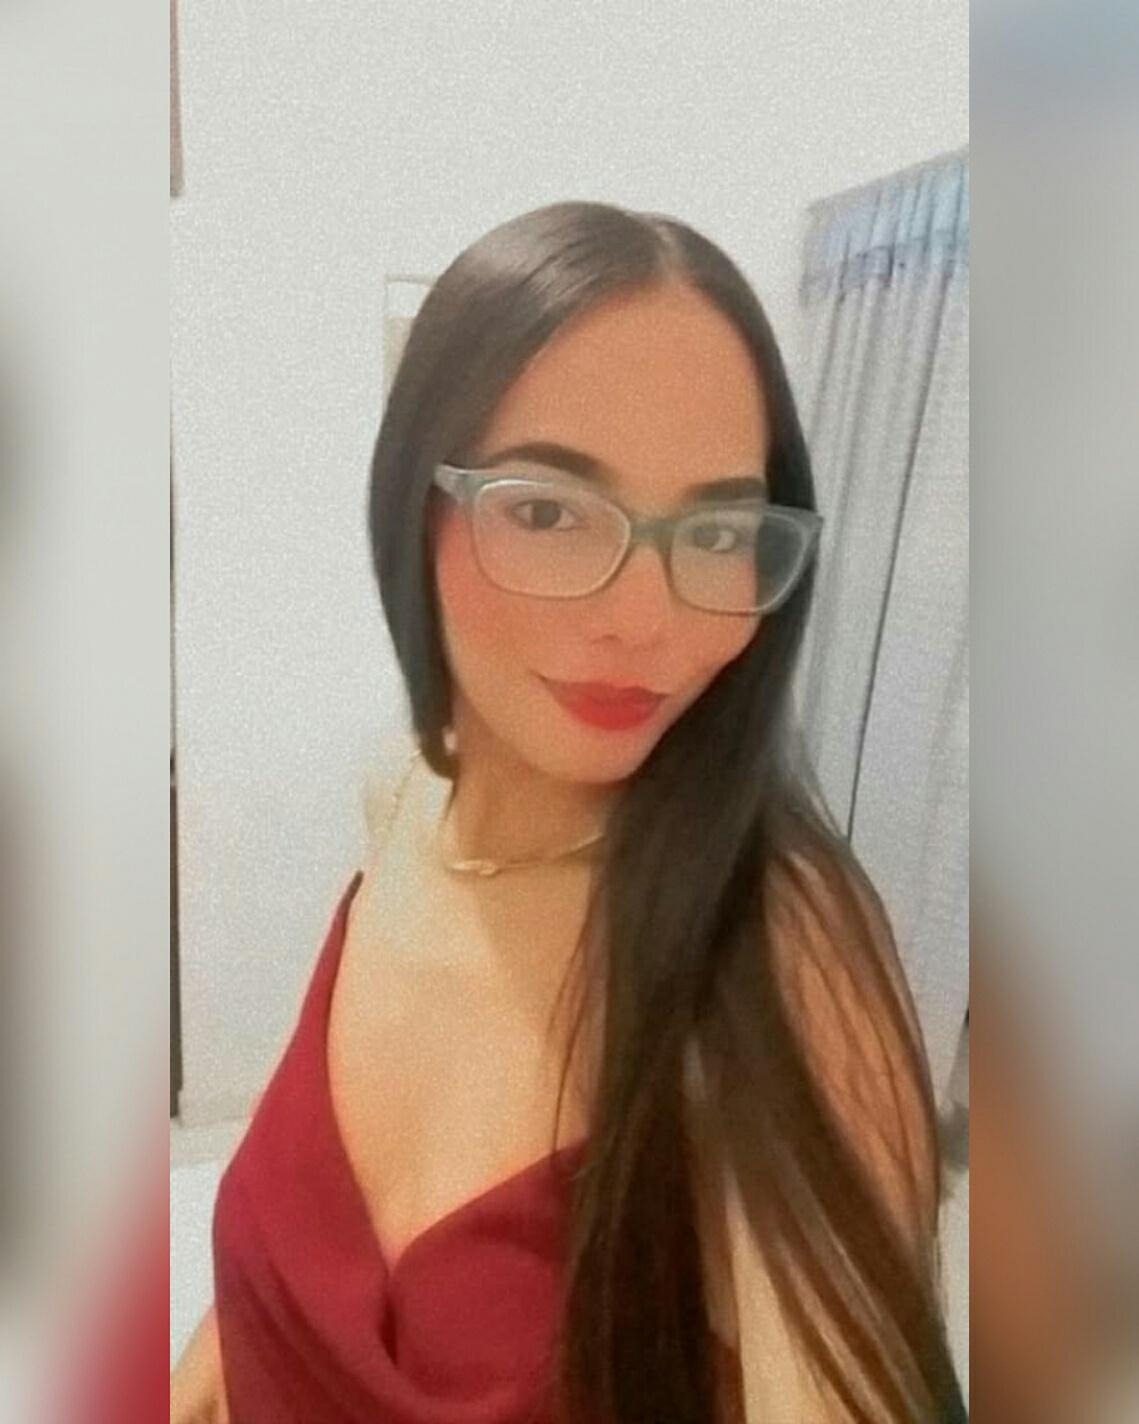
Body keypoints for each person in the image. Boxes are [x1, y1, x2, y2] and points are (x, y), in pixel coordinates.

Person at [171, 201, 965, 1423]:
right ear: (413, 505)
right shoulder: (406, 798)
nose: (646, 620)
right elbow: (264, 1289)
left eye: (714, 527)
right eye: (546, 509)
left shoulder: (772, 949)